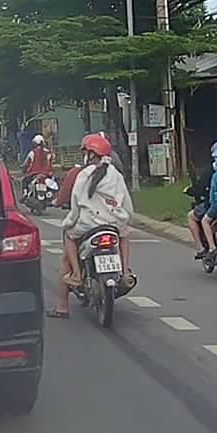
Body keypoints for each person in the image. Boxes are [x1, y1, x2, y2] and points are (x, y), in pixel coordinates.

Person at [48, 134, 134, 318]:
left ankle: (72, 284)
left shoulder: (83, 175)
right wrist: (126, 218)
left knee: (69, 240)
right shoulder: (116, 175)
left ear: (90, 154)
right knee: (124, 236)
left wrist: (68, 223)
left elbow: (75, 205)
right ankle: (125, 272)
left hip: (88, 225)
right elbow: (127, 205)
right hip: (113, 224)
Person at [186, 141, 217, 258]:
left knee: (196, 218)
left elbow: (205, 190)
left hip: (215, 206)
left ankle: (205, 248)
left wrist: (191, 190)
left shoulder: (213, 173)